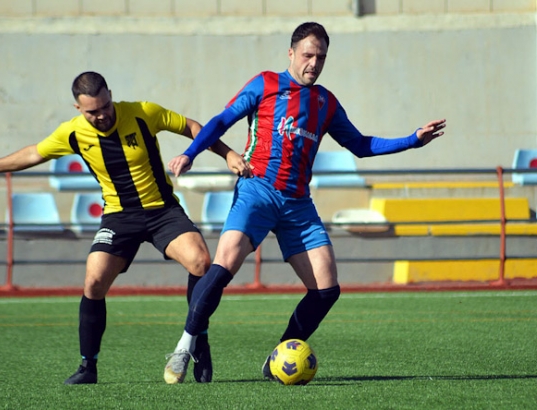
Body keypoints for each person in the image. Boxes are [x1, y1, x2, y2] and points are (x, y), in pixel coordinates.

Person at [163, 21, 446, 383]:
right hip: (257, 190)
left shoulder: (325, 102)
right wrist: (190, 153)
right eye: (308, 54)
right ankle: (187, 344)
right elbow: (220, 121)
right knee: (224, 265)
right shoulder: (265, 83)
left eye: (322, 57)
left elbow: (360, 145)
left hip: (298, 204)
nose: (314, 63)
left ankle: (278, 357)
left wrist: (412, 140)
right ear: (291, 53)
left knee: (327, 289)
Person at [0, 71, 250, 385]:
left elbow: (193, 126)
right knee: (94, 280)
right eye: (92, 112)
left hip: (162, 210)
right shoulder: (72, 133)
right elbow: (34, 153)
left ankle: (198, 343)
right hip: (118, 217)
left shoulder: (142, 112)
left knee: (201, 262)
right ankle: (88, 367)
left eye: (105, 106)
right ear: (78, 109)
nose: (102, 115)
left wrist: (228, 153)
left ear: (111, 95)